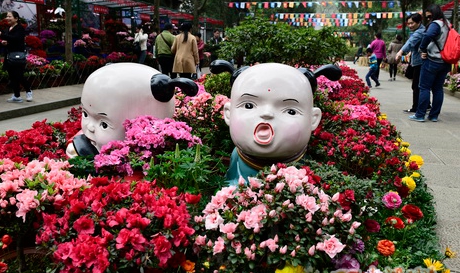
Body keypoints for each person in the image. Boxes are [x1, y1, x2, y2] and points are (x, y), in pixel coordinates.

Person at [210, 61, 341, 185]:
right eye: (249, 105)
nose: (267, 113)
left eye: (290, 111)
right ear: (228, 113)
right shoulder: (236, 158)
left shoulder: (305, 169)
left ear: (313, 119)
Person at [66, 63, 198, 157]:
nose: (89, 127)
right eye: (85, 114)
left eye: (104, 124)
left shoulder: (141, 165)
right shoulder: (84, 138)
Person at [409, 4, 451, 123]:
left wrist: (423, 48)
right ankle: (433, 115)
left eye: (429, 16)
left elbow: (428, 35)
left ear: (433, 14)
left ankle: (420, 114)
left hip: (433, 60)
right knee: (438, 89)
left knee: (424, 87)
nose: (428, 19)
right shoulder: (447, 24)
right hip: (445, 61)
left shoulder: (436, 24)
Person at [0, 11, 32, 103]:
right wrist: (4, 42)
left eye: (9, 16)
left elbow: (16, 39)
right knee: (12, 76)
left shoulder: (20, 28)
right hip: (9, 55)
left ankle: (28, 91)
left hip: (18, 55)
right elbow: (10, 40)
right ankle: (16, 95)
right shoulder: (8, 29)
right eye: (7, 16)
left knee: (19, 75)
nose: (7, 18)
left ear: (16, 18)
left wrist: (2, 35)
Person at [396, 13, 426, 113]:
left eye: (412, 23)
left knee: (417, 86)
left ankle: (416, 107)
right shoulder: (420, 30)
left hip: (419, 62)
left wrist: (400, 52)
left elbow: (410, 42)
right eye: (408, 23)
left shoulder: (420, 31)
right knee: (419, 85)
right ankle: (425, 105)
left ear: (419, 22)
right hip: (417, 60)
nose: (410, 25)